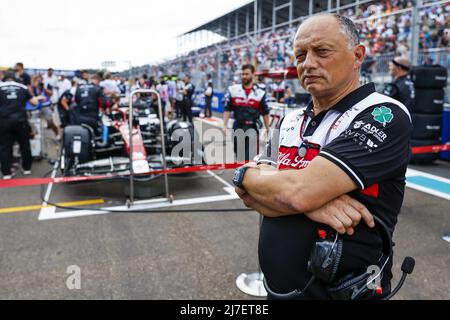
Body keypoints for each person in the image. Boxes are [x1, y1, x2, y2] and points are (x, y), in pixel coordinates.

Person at [233, 14, 412, 300]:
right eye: (300, 55)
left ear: (357, 56)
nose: (308, 63)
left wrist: (273, 187)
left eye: (322, 51)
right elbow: (250, 195)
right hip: (278, 291)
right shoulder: (289, 121)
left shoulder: (384, 114)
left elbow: (297, 193)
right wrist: (248, 178)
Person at [0, 72, 44, 179]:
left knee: (5, 147)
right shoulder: (22, 87)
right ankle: (27, 169)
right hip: (21, 121)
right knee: (25, 145)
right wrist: (36, 98)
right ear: (15, 79)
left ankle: (6, 173)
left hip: (4, 121)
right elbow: (34, 103)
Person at [223, 64, 270, 162]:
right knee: (239, 156)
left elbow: (265, 112)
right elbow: (227, 109)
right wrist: (224, 125)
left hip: (252, 127)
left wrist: (267, 128)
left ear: (253, 75)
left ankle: (249, 176)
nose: (244, 76)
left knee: (251, 158)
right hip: (238, 126)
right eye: (242, 74)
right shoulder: (233, 90)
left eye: (246, 74)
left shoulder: (260, 93)